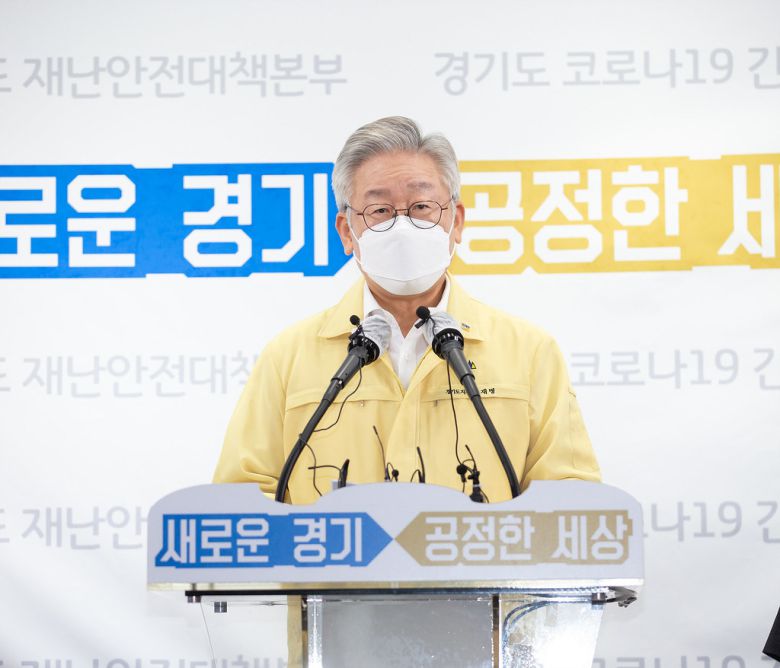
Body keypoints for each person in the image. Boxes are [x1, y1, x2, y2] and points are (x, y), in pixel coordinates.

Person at [213, 116, 601, 502]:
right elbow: (239, 503)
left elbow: (570, 501)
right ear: (347, 232)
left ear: (456, 221)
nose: (402, 227)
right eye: (380, 210)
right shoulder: (288, 357)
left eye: (421, 206)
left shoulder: (529, 352)